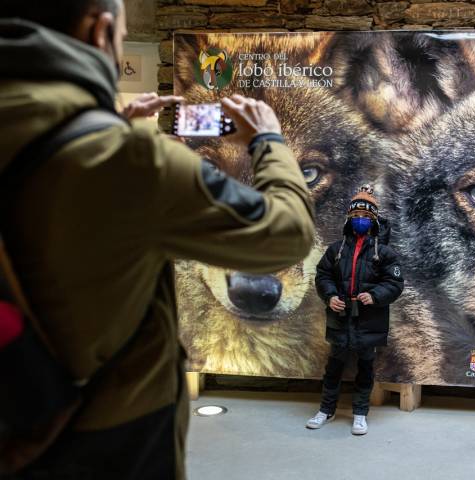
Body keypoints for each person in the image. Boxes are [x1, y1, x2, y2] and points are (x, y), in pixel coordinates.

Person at [0, 0, 314, 478]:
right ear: (100, 29)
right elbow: (285, 236)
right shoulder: (130, 159)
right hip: (108, 432)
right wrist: (269, 142)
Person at [308, 185, 404, 435]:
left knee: (365, 367)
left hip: (369, 320)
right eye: (356, 217)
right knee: (334, 366)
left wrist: (374, 295)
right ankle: (325, 410)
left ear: (373, 220)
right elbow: (322, 275)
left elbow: (394, 283)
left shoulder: (384, 252)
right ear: (349, 219)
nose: (360, 221)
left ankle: (360, 413)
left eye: (365, 217)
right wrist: (329, 296)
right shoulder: (336, 249)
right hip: (340, 317)